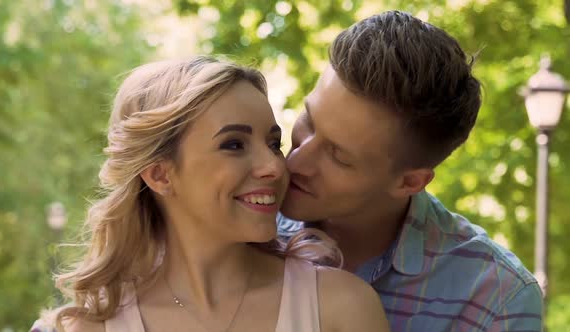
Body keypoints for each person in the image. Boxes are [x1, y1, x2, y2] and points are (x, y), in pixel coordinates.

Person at [31, 56, 389, 332]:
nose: (276, 167)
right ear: (160, 174)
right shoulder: (93, 326)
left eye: (273, 143)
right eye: (234, 144)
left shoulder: (341, 308)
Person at [278, 10, 544, 331]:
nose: (294, 162)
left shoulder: (497, 299)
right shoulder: (238, 225)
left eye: (338, 156)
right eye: (308, 121)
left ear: (410, 181)